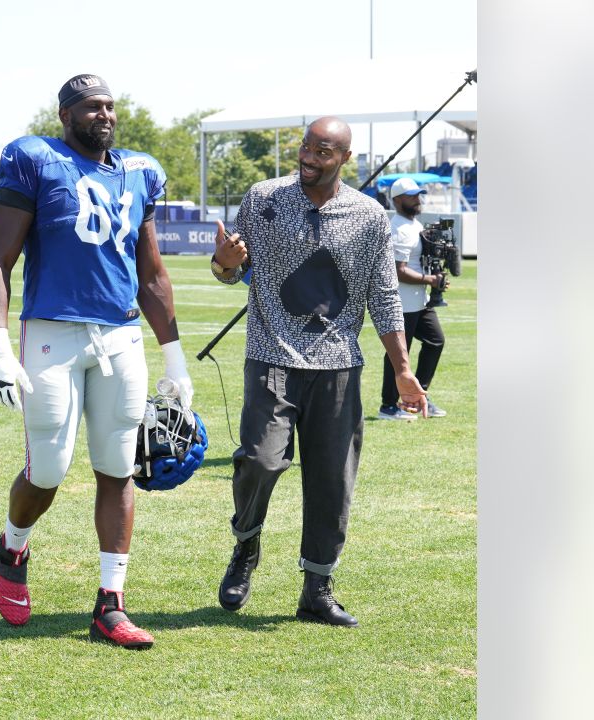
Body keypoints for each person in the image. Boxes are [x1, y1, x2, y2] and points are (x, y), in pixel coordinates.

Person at [0, 73, 194, 650]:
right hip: (52, 329)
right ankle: (13, 543)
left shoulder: (138, 171)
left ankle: (110, 604)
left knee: (118, 463)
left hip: (120, 334)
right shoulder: (35, 159)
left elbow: (151, 274)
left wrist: (175, 359)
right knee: (49, 467)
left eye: (110, 106)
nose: (105, 115)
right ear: (66, 114)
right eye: (92, 106)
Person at [209, 116, 429, 627]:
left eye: (323, 151)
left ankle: (317, 587)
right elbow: (232, 270)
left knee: (333, 482)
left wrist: (402, 370)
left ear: (344, 158)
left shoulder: (370, 216)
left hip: (338, 366)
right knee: (261, 461)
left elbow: (383, 295)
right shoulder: (263, 198)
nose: (309, 157)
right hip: (272, 356)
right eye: (306, 146)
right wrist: (223, 263)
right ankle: (246, 544)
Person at [378, 177, 448, 420]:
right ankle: (388, 405)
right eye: (411, 195)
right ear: (397, 200)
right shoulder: (398, 228)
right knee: (399, 353)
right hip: (402, 302)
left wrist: (435, 276)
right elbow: (399, 269)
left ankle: (420, 395)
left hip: (420, 300)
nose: (417, 199)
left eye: (419, 194)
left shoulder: (415, 224)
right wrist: (429, 280)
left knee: (435, 341)